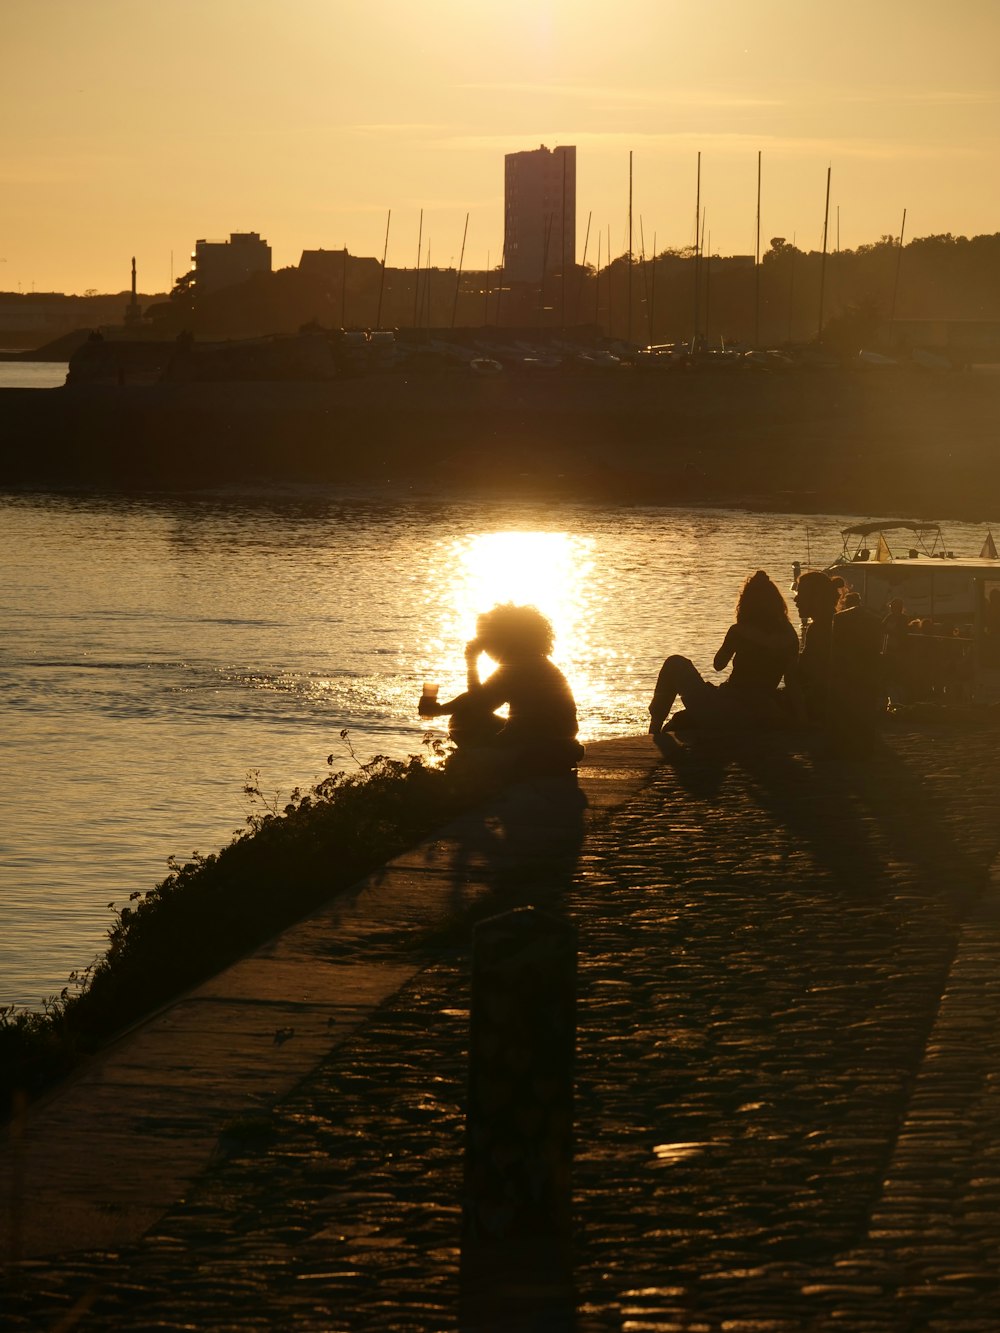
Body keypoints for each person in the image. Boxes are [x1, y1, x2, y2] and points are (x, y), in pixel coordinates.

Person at [418, 603, 584, 776]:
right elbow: (481, 697)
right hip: (553, 741)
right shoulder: (528, 662)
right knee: (464, 717)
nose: (482, 645)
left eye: (484, 639)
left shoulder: (518, 667)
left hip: (540, 746)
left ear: (502, 638)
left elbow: (479, 704)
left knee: (462, 721)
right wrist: (440, 710)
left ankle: (488, 767)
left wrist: (472, 663)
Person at [648, 570, 801, 734]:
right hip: (758, 713)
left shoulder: (738, 631)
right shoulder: (790, 636)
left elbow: (718, 664)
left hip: (726, 708)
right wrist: (802, 721)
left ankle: (653, 729)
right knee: (680, 720)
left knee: (675, 663)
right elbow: (792, 681)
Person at [795, 569, 883, 751]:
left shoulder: (820, 629)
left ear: (815, 598)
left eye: (800, 594)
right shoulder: (833, 623)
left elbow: (807, 672)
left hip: (824, 704)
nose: (795, 600)